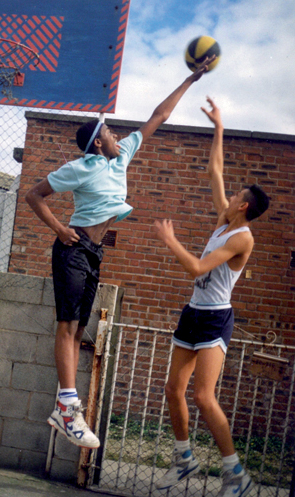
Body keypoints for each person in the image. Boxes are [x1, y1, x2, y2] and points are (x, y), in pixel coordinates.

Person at [24, 60, 215, 449]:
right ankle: (66, 407)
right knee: (67, 326)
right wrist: (60, 229)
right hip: (74, 248)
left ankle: (67, 408)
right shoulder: (80, 168)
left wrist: (190, 79)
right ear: (98, 143)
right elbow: (33, 195)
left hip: (93, 252)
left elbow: (158, 116)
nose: (117, 134)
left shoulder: (122, 155)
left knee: (78, 330)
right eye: (109, 132)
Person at [153, 97, 270, 497]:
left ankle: (235, 473)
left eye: (237, 193)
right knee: (173, 389)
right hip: (192, 313)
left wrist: (171, 242)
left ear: (243, 207)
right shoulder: (225, 219)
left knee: (204, 396)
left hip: (216, 319)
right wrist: (219, 126)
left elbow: (198, 266)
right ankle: (184, 458)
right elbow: (214, 170)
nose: (232, 191)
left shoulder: (242, 238)